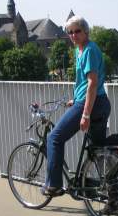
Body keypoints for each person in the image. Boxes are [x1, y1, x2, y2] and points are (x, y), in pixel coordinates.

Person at [41, 15, 112, 198]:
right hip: (97, 103)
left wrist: (85, 114)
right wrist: (75, 98)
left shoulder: (88, 50)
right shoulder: (79, 50)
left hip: (90, 105)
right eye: (70, 32)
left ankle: (54, 185)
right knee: (98, 151)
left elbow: (92, 83)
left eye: (77, 31)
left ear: (85, 31)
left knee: (54, 138)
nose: (73, 35)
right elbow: (82, 83)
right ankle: (112, 196)